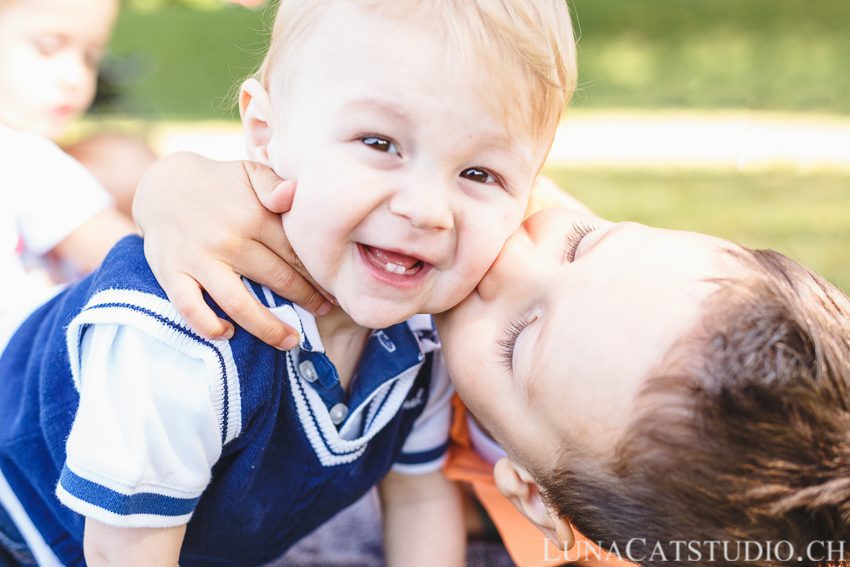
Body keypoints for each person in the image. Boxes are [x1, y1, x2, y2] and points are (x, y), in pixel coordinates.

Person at [0, 0, 577, 565]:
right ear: (264, 131)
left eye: (479, 173)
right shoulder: (184, 334)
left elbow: (419, 497)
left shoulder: (425, 336)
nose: (427, 210)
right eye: (380, 144)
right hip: (37, 529)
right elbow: (119, 552)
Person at [137, 157, 850, 566]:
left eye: (520, 337)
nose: (508, 259)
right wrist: (176, 188)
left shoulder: (615, 479)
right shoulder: (583, 271)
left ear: (535, 496)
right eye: (582, 242)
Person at [0, 0, 141, 344]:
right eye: (47, 47)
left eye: (91, 58)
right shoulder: (27, 157)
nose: (75, 78)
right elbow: (140, 261)